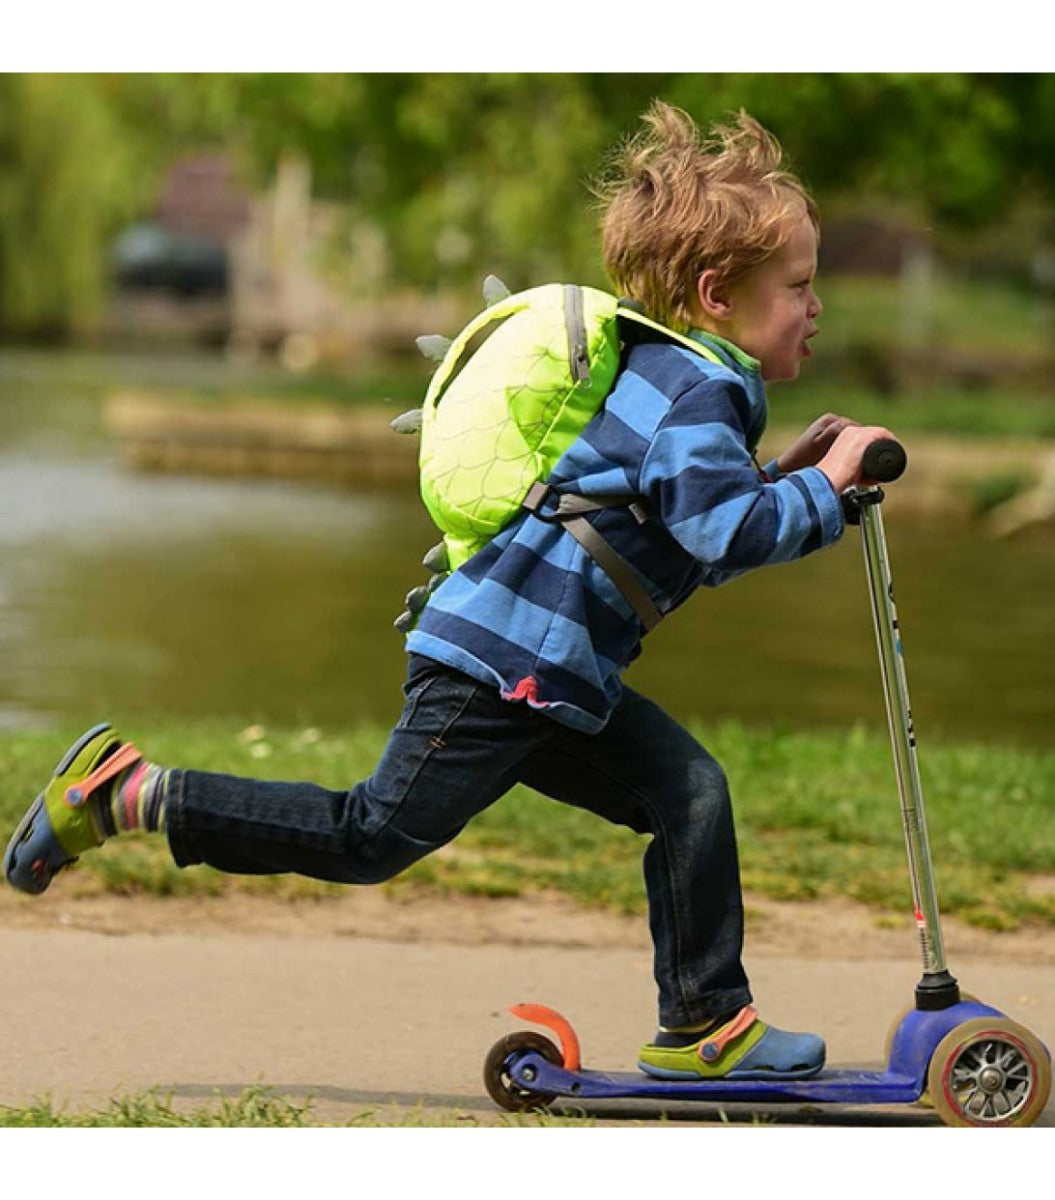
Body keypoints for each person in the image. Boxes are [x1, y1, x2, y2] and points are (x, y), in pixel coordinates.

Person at [5, 102, 896, 1082]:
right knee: (370, 836)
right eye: (800, 286)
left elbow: (688, 522)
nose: (817, 306)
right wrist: (820, 488)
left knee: (686, 793)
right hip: (502, 666)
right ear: (717, 293)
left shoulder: (671, 379)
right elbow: (718, 534)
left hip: (553, 669)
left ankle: (704, 1026)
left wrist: (794, 481)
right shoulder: (696, 392)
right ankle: (131, 794)